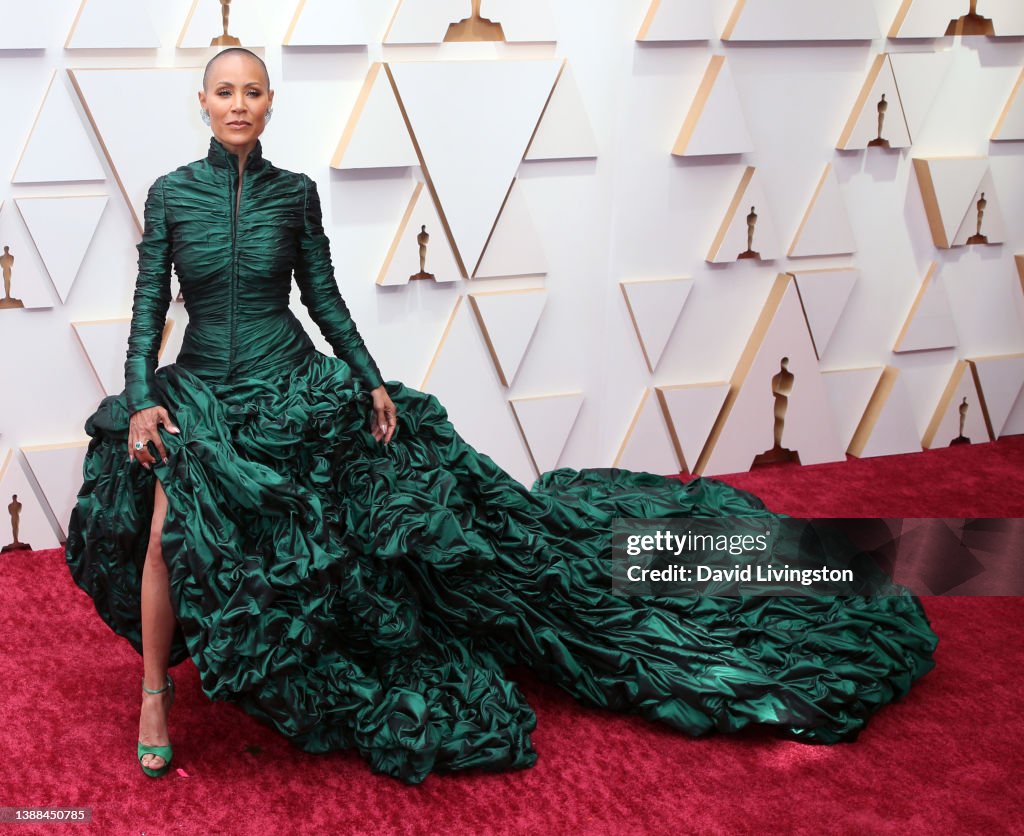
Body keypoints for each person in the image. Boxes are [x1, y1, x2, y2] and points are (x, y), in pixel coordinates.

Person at [65, 47, 939, 786]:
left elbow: (321, 294)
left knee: (362, 527)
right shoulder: (171, 193)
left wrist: (368, 377)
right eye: (225, 91)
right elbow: (149, 305)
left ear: (269, 103)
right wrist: (143, 393)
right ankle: (155, 691)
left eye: (253, 91)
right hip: (205, 394)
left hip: (292, 378)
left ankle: (352, 647)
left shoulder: (294, 194)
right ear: (203, 102)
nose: (239, 105)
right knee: (166, 534)